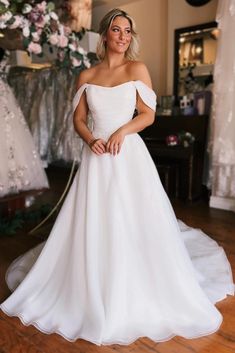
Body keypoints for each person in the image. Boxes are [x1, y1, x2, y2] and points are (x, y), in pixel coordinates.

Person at [0, 8, 234, 346]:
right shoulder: (87, 75)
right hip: (97, 156)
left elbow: (148, 114)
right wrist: (91, 138)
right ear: (105, 35)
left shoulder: (136, 69)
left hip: (127, 154)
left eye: (127, 30)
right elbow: (79, 120)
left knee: (133, 217)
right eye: (116, 29)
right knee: (95, 219)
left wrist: (122, 132)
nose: (123, 36)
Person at [0, 49, 49, 197]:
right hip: (4, 95)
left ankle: (11, 177)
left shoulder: (3, 51)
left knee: (9, 135)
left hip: (3, 96)